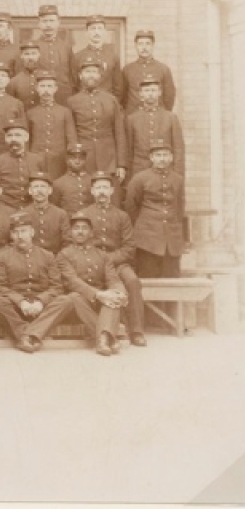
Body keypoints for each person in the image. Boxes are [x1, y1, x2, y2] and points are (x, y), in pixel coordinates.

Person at [0, 211, 78, 353]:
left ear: (32, 232)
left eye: (23, 231)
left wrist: (40, 301)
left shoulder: (47, 256)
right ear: (11, 235)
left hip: (41, 308)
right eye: (16, 232)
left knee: (66, 301)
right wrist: (20, 301)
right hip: (16, 309)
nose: (20, 236)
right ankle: (31, 334)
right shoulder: (4, 257)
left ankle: (26, 336)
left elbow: (57, 287)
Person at [81, 171, 146, 346]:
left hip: (118, 263)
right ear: (92, 191)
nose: (102, 191)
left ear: (111, 191)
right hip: (91, 263)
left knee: (132, 281)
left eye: (105, 188)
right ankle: (100, 329)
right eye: (98, 188)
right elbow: (80, 244)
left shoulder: (122, 216)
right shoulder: (83, 215)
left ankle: (137, 331)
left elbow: (129, 248)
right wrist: (96, 261)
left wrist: (109, 260)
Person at [56, 212, 128, 356]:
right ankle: (107, 339)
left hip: (101, 304)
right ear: (71, 232)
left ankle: (103, 340)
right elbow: (72, 281)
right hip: (81, 306)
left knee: (113, 297)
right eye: (76, 228)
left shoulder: (102, 255)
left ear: (91, 233)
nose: (80, 232)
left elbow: (113, 279)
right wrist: (98, 294)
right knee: (75, 297)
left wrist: (120, 292)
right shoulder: (64, 255)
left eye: (84, 228)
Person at [125, 139, 186, 278]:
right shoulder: (140, 178)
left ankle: (170, 301)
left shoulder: (177, 179)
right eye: (158, 155)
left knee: (172, 280)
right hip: (147, 239)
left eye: (165, 155)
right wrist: (143, 228)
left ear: (171, 158)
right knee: (148, 278)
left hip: (172, 239)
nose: (162, 159)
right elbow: (131, 206)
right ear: (151, 158)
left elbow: (179, 207)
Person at [68, 55, 128, 179]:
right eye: (87, 72)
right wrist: (74, 161)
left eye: (94, 72)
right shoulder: (72, 102)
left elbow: (119, 133)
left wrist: (121, 164)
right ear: (80, 76)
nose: (91, 75)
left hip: (108, 158)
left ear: (100, 76)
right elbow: (71, 135)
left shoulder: (111, 100)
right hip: (83, 158)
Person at [125, 73, 185, 178]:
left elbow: (178, 149)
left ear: (159, 93)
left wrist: (178, 174)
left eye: (153, 90)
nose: (150, 94)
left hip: (165, 171)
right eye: (146, 91)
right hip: (139, 170)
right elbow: (129, 151)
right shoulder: (132, 119)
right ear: (141, 94)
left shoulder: (170, 118)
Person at [27, 69, 77, 180]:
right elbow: (27, 141)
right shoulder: (31, 113)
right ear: (37, 89)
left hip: (59, 161)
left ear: (55, 89)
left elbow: (72, 140)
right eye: (43, 86)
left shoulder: (64, 112)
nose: (46, 90)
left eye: (49, 86)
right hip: (37, 160)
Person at [0, 120, 45, 209]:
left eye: (18, 135)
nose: (13, 139)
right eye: (9, 135)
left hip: (31, 210)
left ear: (26, 137)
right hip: (6, 210)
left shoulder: (37, 160)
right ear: (5, 139)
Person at [122, 29, 176, 112]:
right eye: (140, 44)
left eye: (148, 44)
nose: (144, 47)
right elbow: (123, 97)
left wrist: (162, 115)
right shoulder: (127, 70)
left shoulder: (163, 69)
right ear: (136, 46)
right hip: (133, 117)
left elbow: (169, 97)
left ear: (153, 45)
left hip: (157, 118)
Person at [72, 15, 124, 99]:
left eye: (99, 28)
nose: (96, 32)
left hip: (107, 102)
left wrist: (113, 103)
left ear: (104, 32)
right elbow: (74, 85)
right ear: (87, 32)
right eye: (93, 29)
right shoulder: (78, 56)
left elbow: (118, 86)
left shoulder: (112, 56)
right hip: (85, 102)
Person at [33, 5, 74, 105]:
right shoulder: (33, 47)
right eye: (45, 21)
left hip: (63, 97)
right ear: (39, 24)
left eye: (51, 21)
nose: (48, 25)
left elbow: (73, 76)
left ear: (58, 22)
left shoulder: (66, 47)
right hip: (40, 98)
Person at [21, 172, 71, 253]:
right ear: (30, 191)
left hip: (55, 259)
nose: (39, 190)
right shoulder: (23, 214)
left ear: (50, 190)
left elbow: (67, 242)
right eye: (36, 187)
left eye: (43, 186)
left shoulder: (61, 214)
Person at [51, 143, 94, 214]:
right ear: (67, 160)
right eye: (73, 158)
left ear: (85, 160)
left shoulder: (92, 181)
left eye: (81, 158)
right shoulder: (58, 183)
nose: (77, 161)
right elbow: (54, 210)